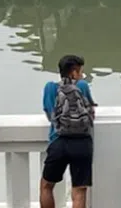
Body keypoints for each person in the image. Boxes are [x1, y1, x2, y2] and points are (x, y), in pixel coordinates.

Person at [41, 55, 96, 208]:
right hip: (82, 143)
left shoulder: (50, 87)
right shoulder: (83, 86)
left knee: (46, 186)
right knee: (79, 190)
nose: (82, 76)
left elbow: (49, 114)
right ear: (73, 72)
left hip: (58, 141)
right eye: (80, 72)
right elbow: (91, 113)